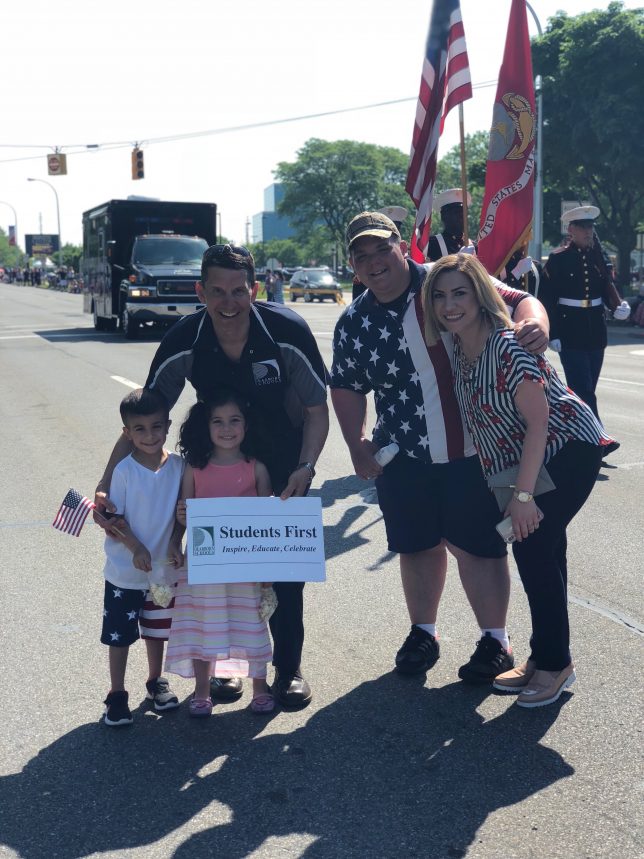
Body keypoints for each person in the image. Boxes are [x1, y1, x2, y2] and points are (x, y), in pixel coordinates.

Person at [95, 243, 328, 709]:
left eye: (238, 291)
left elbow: (316, 409)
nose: (228, 302)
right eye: (216, 291)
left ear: (254, 289)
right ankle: (225, 668)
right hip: (216, 464)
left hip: (282, 465)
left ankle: (288, 669)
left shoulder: (285, 329)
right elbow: (147, 417)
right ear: (200, 291)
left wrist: (305, 467)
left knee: (283, 577)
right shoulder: (184, 338)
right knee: (217, 577)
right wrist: (106, 482)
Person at [331, 211, 550, 684]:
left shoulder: (445, 280)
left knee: (480, 550)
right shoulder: (353, 321)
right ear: (353, 266)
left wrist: (534, 322)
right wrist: (357, 444)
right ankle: (422, 632)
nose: (374, 263)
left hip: (474, 451)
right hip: (404, 452)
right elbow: (347, 386)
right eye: (361, 256)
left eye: (381, 250)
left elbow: (519, 298)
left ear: (400, 246)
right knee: (417, 546)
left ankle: (495, 640)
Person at [423, 254, 613, 707]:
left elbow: (539, 424)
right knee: (545, 549)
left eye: (460, 293)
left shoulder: (506, 346)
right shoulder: (460, 348)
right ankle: (546, 656)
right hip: (527, 462)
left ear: (481, 296)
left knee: (533, 545)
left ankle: (555, 664)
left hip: (568, 451)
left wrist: (523, 497)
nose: (450, 305)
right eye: (441, 296)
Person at [168, 390, 275, 716]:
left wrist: (268, 576)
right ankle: (202, 691)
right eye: (218, 421)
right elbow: (183, 513)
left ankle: (260, 687)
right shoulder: (194, 469)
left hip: (247, 569)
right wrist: (176, 537)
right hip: (204, 567)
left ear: (246, 425)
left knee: (252, 626)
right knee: (205, 626)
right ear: (206, 426)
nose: (226, 428)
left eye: (234, 420)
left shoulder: (257, 469)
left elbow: (268, 525)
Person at [100, 388, 184, 727]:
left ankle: (155, 681)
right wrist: (135, 547)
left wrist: (177, 542)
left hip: (163, 570)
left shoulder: (179, 467)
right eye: (139, 429)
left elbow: (181, 514)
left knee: (156, 631)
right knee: (119, 634)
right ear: (127, 432)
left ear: (167, 426)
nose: (149, 436)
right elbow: (114, 519)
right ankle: (117, 693)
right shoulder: (123, 471)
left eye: (156, 427)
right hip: (125, 573)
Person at [540, 205, 630, 455]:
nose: (589, 232)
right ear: (571, 230)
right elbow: (548, 298)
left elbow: (607, 288)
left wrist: (618, 307)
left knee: (586, 388)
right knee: (583, 389)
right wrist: (553, 332)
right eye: (583, 227)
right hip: (570, 330)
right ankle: (599, 438)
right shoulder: (558, 258)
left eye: (591, 227)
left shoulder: (599, 257)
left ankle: (576, 437)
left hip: (595, 329)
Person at [352, 206, 408, 301]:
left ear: (403, 249)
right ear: (352, 264)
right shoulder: (354, 313)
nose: (373, 261)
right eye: (362, 256)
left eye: (383, 250)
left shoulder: (432, 283)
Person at [426, 189, 475, 261]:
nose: (462, 216)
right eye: (457, 212)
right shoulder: (432, 245)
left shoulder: (474, 246)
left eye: (464, 212)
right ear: (444, 216)